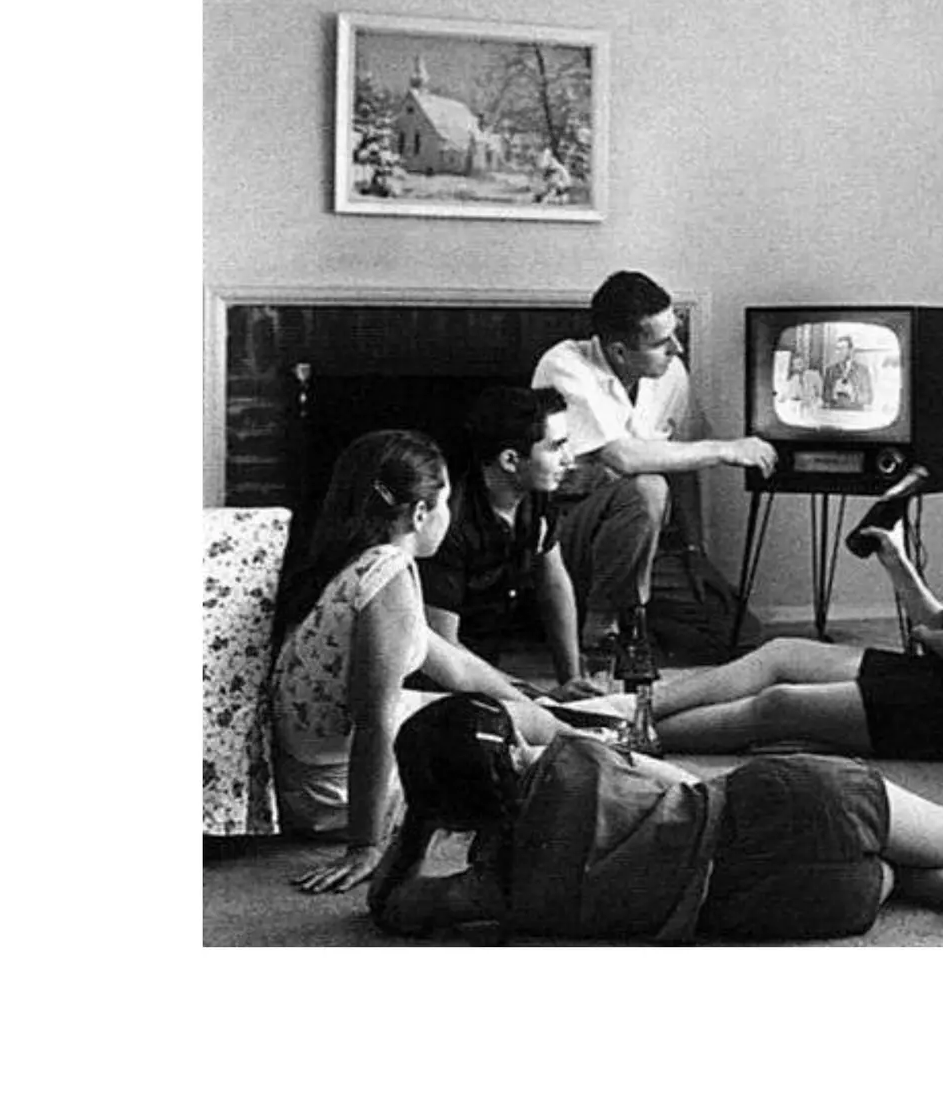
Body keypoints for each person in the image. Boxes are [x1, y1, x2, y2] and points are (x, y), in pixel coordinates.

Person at [367, 693, 943, 942]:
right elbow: (676, 775)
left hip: (789, 909)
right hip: (785, 807)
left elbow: (393, 909)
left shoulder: (497, 891)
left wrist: (415, 831)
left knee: (895, 877)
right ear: (514, 747)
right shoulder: (574, 757)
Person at [648, 388, 943, 760]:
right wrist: (897, 563)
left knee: (781, 704)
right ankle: (637, 708)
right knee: (781, 654)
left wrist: (924, 638)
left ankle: (637, 739)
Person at [270, 429, 567, 894]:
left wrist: (541, 703)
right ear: (420, 514)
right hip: (333, 792)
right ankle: (613, 742)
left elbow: (456, 667)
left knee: (535, 716)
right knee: (525, 746)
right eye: (445, 502)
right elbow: (374, 722)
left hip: (316, 774)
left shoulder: (358, 561)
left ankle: (604, 729)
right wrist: (365, 845)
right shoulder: (387, 573)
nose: (450, 515)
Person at [532, 271, 778, 651]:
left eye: (674, 334)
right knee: (647, 487)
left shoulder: (670, 371)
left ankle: (629, 614)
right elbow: (622, 457)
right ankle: (601, 623)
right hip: (564, 537)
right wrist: (725, 449)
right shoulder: (564, 365)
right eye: (662, 342)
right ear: (619, 352)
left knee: (739, 635)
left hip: (641, 544)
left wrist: (694, 550)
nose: (676, 348)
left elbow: (683, 462)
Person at [417, 386, 593, 691]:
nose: (570, 459)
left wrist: (571, 678)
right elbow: (444, 650)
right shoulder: (449, 525)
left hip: (488, 673)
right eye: (556, 447)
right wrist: (534, 696)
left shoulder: (536, 496)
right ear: (511, 460)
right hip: (436, 683)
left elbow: (554, 583)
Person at [825, 335, 873, 408]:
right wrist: (833, 393)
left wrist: (853, 394)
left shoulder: (862, 370)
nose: (838, 352)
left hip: (855, 413)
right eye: (837, 349)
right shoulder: (830, 370)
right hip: (835, 412)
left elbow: (869, 398)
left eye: (842, 348)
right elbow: (824, 396)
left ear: (850, 350)